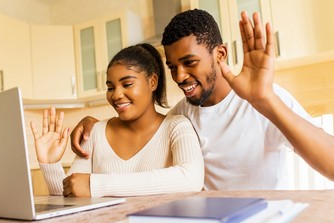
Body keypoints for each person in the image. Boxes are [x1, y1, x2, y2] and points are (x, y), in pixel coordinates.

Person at [70, 9, 334, 190]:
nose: (180, 76)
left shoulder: (264, 101)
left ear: (220, 54)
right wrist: (95, 124)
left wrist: (264, 100)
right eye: (172, 66)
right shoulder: (180, 116)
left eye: (189, 62)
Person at [30, 43, 204, 197]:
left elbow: (190, 179)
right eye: (110, 87)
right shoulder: (95, 132)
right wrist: (50, 163)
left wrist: (96, 184)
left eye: (127, 84)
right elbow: (72, 191)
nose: (116, 95)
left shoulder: (177, 126)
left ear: (152, 82)